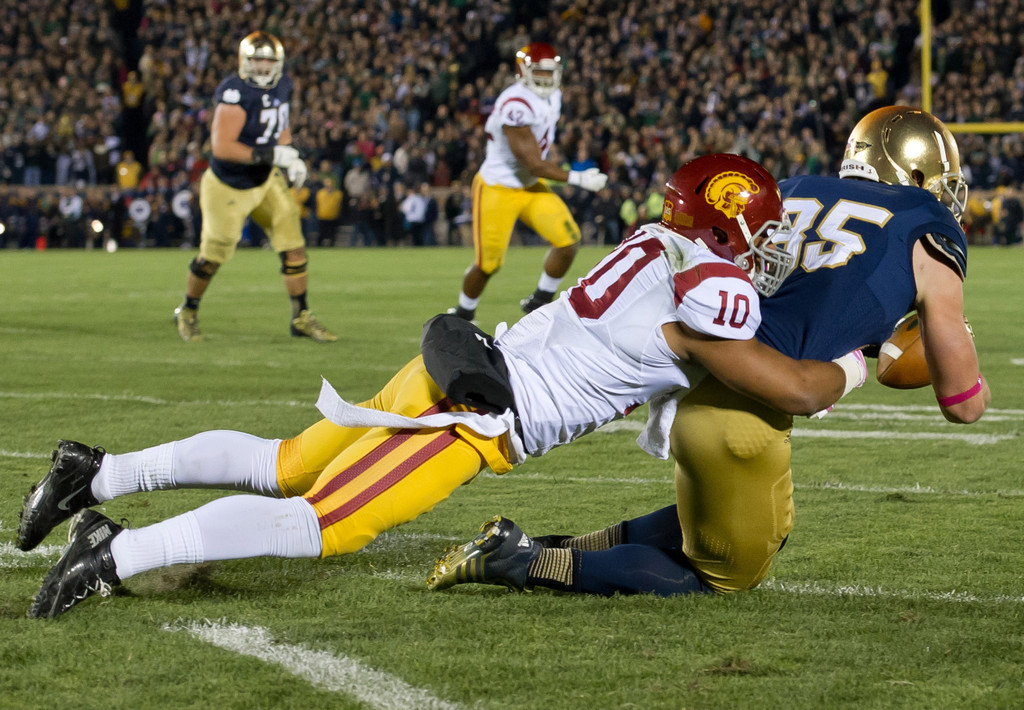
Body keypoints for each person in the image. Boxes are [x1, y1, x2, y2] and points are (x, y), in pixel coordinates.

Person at [19, 154, 867, 619]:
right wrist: (864, 350)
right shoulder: (717, 286)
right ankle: (114, 555)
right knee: (321, 524)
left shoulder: (655, 240)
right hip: (471, 414)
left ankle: (96, 474)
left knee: (286, 463)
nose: (769, 247)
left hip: (458, 361)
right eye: (756, 230)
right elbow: (785, 379)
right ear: (723, 227)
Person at [428, 107, 991, 599]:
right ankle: (522, 560)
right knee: (725, 574)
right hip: (745, 413)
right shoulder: (929, 223)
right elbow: (963, 402)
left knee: (752, 522)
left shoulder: (791, 188)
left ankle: (562, 545)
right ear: (916, 174)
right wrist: (893, 350)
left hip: (691, 377)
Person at [172, 31, 335, 343]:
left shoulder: (284, 84)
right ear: (244, 61)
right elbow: (222, 147)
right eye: (256, 59)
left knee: (294, 246)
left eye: (268, 60)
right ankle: (188, 311)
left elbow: (280, 124)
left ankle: (301, 317)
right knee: (214, 255)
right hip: (228, 185)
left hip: (265, 179)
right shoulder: (234, 92)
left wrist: (290, 156)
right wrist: (273, 154)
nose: (262, 66)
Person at [447, 42, 609, 322]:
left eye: (550, 73)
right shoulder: (515, 104)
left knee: (568, 242)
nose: (546, 79)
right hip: (498, 187)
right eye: (540, 73)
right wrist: (578, 178)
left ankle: (540, 300)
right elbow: (532, 162)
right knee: (489, 264)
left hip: (530, 185)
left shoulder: (553, 96)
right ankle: (464, 313)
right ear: (523, 71)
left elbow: (542, 147)